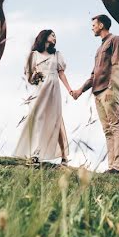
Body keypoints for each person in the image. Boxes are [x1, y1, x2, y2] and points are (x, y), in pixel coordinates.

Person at [71, 15, 119, 174]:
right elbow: (94, 75)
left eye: (94, 24)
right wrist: (80, 90)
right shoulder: (99, 48)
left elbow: (117, 64)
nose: (92, 27)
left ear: (101, 25)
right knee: (107, 129)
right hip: (97, 91)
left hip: (109, 89)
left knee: (116, 126)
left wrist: (112, 87)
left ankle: (118, 166)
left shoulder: (115, 40)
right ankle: (111, 167)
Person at [16, 29, 72, 165]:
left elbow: (61, 74)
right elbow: (29, 78)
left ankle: (64, 156)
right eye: (53, 35)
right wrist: (34, 77)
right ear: (44, 36)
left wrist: (70, 90)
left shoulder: (57, 55)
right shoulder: (33, 55)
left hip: (54, 89)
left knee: (56, 119)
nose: (55, 38)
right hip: (40, 90)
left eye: (55, 36)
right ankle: (35, 154)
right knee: (38, 118)